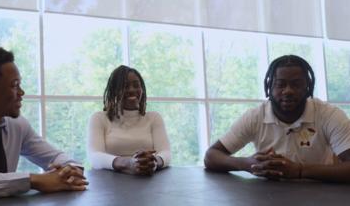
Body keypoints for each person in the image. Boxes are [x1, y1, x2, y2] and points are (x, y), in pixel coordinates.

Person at [0, 45, 87, 198]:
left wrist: (71, 169)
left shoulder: (17, 125)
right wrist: (32, 180)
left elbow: (56, 157)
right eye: (14, 85)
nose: (22, 92)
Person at [204, 54, 350, 182]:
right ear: (269, 87)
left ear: (308, 87)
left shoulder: (329, 115)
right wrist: (247, 164)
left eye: (296, 84)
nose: (288, 91)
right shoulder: (255, 116)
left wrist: (299, 171)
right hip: (267, 196)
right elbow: (211, 156)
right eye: (280, 84)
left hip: (320, 194)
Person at [88, 65, 171, 175]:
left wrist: (154, 162)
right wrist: (128, 163)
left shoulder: (154, 118)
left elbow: (166, 152)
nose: (132, 90)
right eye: (125, 86)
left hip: (148, 181)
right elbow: (94, 157)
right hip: (111, 184)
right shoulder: (99, 118)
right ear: (113, 91)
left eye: (136, 85)